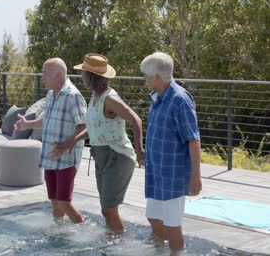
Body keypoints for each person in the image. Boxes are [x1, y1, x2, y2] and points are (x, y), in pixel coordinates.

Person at [56, 53, 144, 233]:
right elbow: (96, 127)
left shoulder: (110, 99)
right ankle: (112, 241)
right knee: (107, 209)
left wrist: (140, 150)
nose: (81, 77)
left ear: (90, 76)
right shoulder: (95, 96)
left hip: (117, 157)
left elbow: (136, 120)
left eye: (83, 73)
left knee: (108, 209)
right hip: (101, 157)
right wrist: (71, 141)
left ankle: (119, 245)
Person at [141, 52, 202, 252]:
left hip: (173, 173)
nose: (145, 79)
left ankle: (176, 251)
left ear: (157, 77)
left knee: (172, 225)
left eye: (146, 76)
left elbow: (193, 139)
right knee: (153, 217)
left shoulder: (180, 100)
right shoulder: (157, 97)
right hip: (156, 172)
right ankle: (163, 251)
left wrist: (195, 176)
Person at [15, 58, 86, 224]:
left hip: (66, 159)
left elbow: (83, 126)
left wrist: (67, 145)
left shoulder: (73, 96)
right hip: (50, 157)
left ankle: (83, 228)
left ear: (59, 75)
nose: (43, 77)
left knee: (64, 202)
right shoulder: (50, 94)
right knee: (54, 201)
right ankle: (59, 234)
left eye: (46, 74)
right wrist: (27, 124)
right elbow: (46, 120)